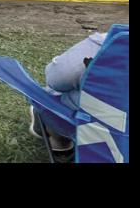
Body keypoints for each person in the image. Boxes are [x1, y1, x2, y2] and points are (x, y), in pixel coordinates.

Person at [38, 31, 108, 161]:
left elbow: (56, 79)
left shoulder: (115, 43)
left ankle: (58, 133)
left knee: (56, 94)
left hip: (98, 119)